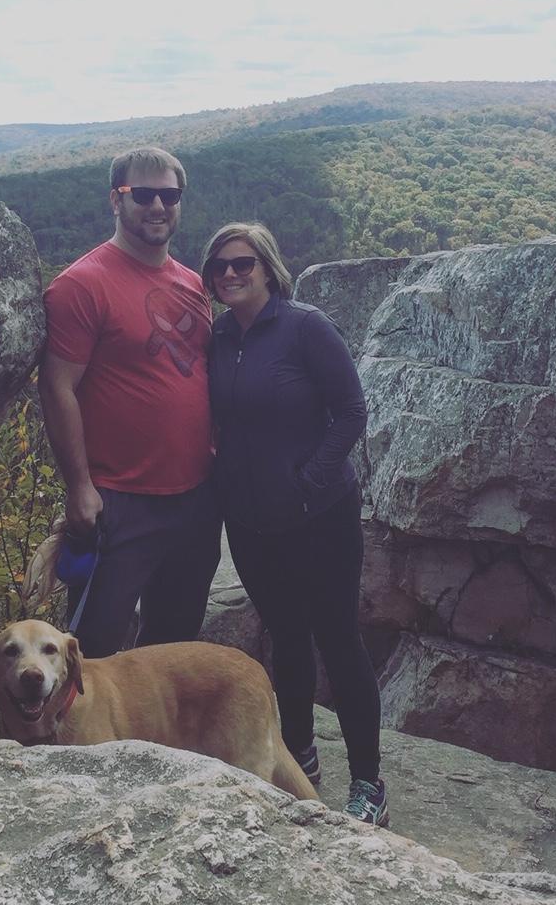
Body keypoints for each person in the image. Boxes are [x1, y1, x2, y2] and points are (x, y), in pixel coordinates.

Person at [201, 221, 388, 827]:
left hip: (320, 517)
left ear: (268, 267)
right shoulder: (219, 335)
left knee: (338, 638)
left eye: (243, 263)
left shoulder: (306, 327)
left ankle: (368, 782)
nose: (231, 274)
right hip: (251, 522)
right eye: (220, 266)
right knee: (284, 637)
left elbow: (352, 411)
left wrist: (308, 480)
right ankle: (300, 756)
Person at [39, 146, 221, 658]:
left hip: (196, 498)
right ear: (115, 201)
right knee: (92, 650)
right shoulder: (81, 285)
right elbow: (57, 387)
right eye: (142, 194)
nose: (158, 206)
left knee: (174, 650)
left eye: (170, 195)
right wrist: (80, 487)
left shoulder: (191, 283)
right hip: (119, 501)